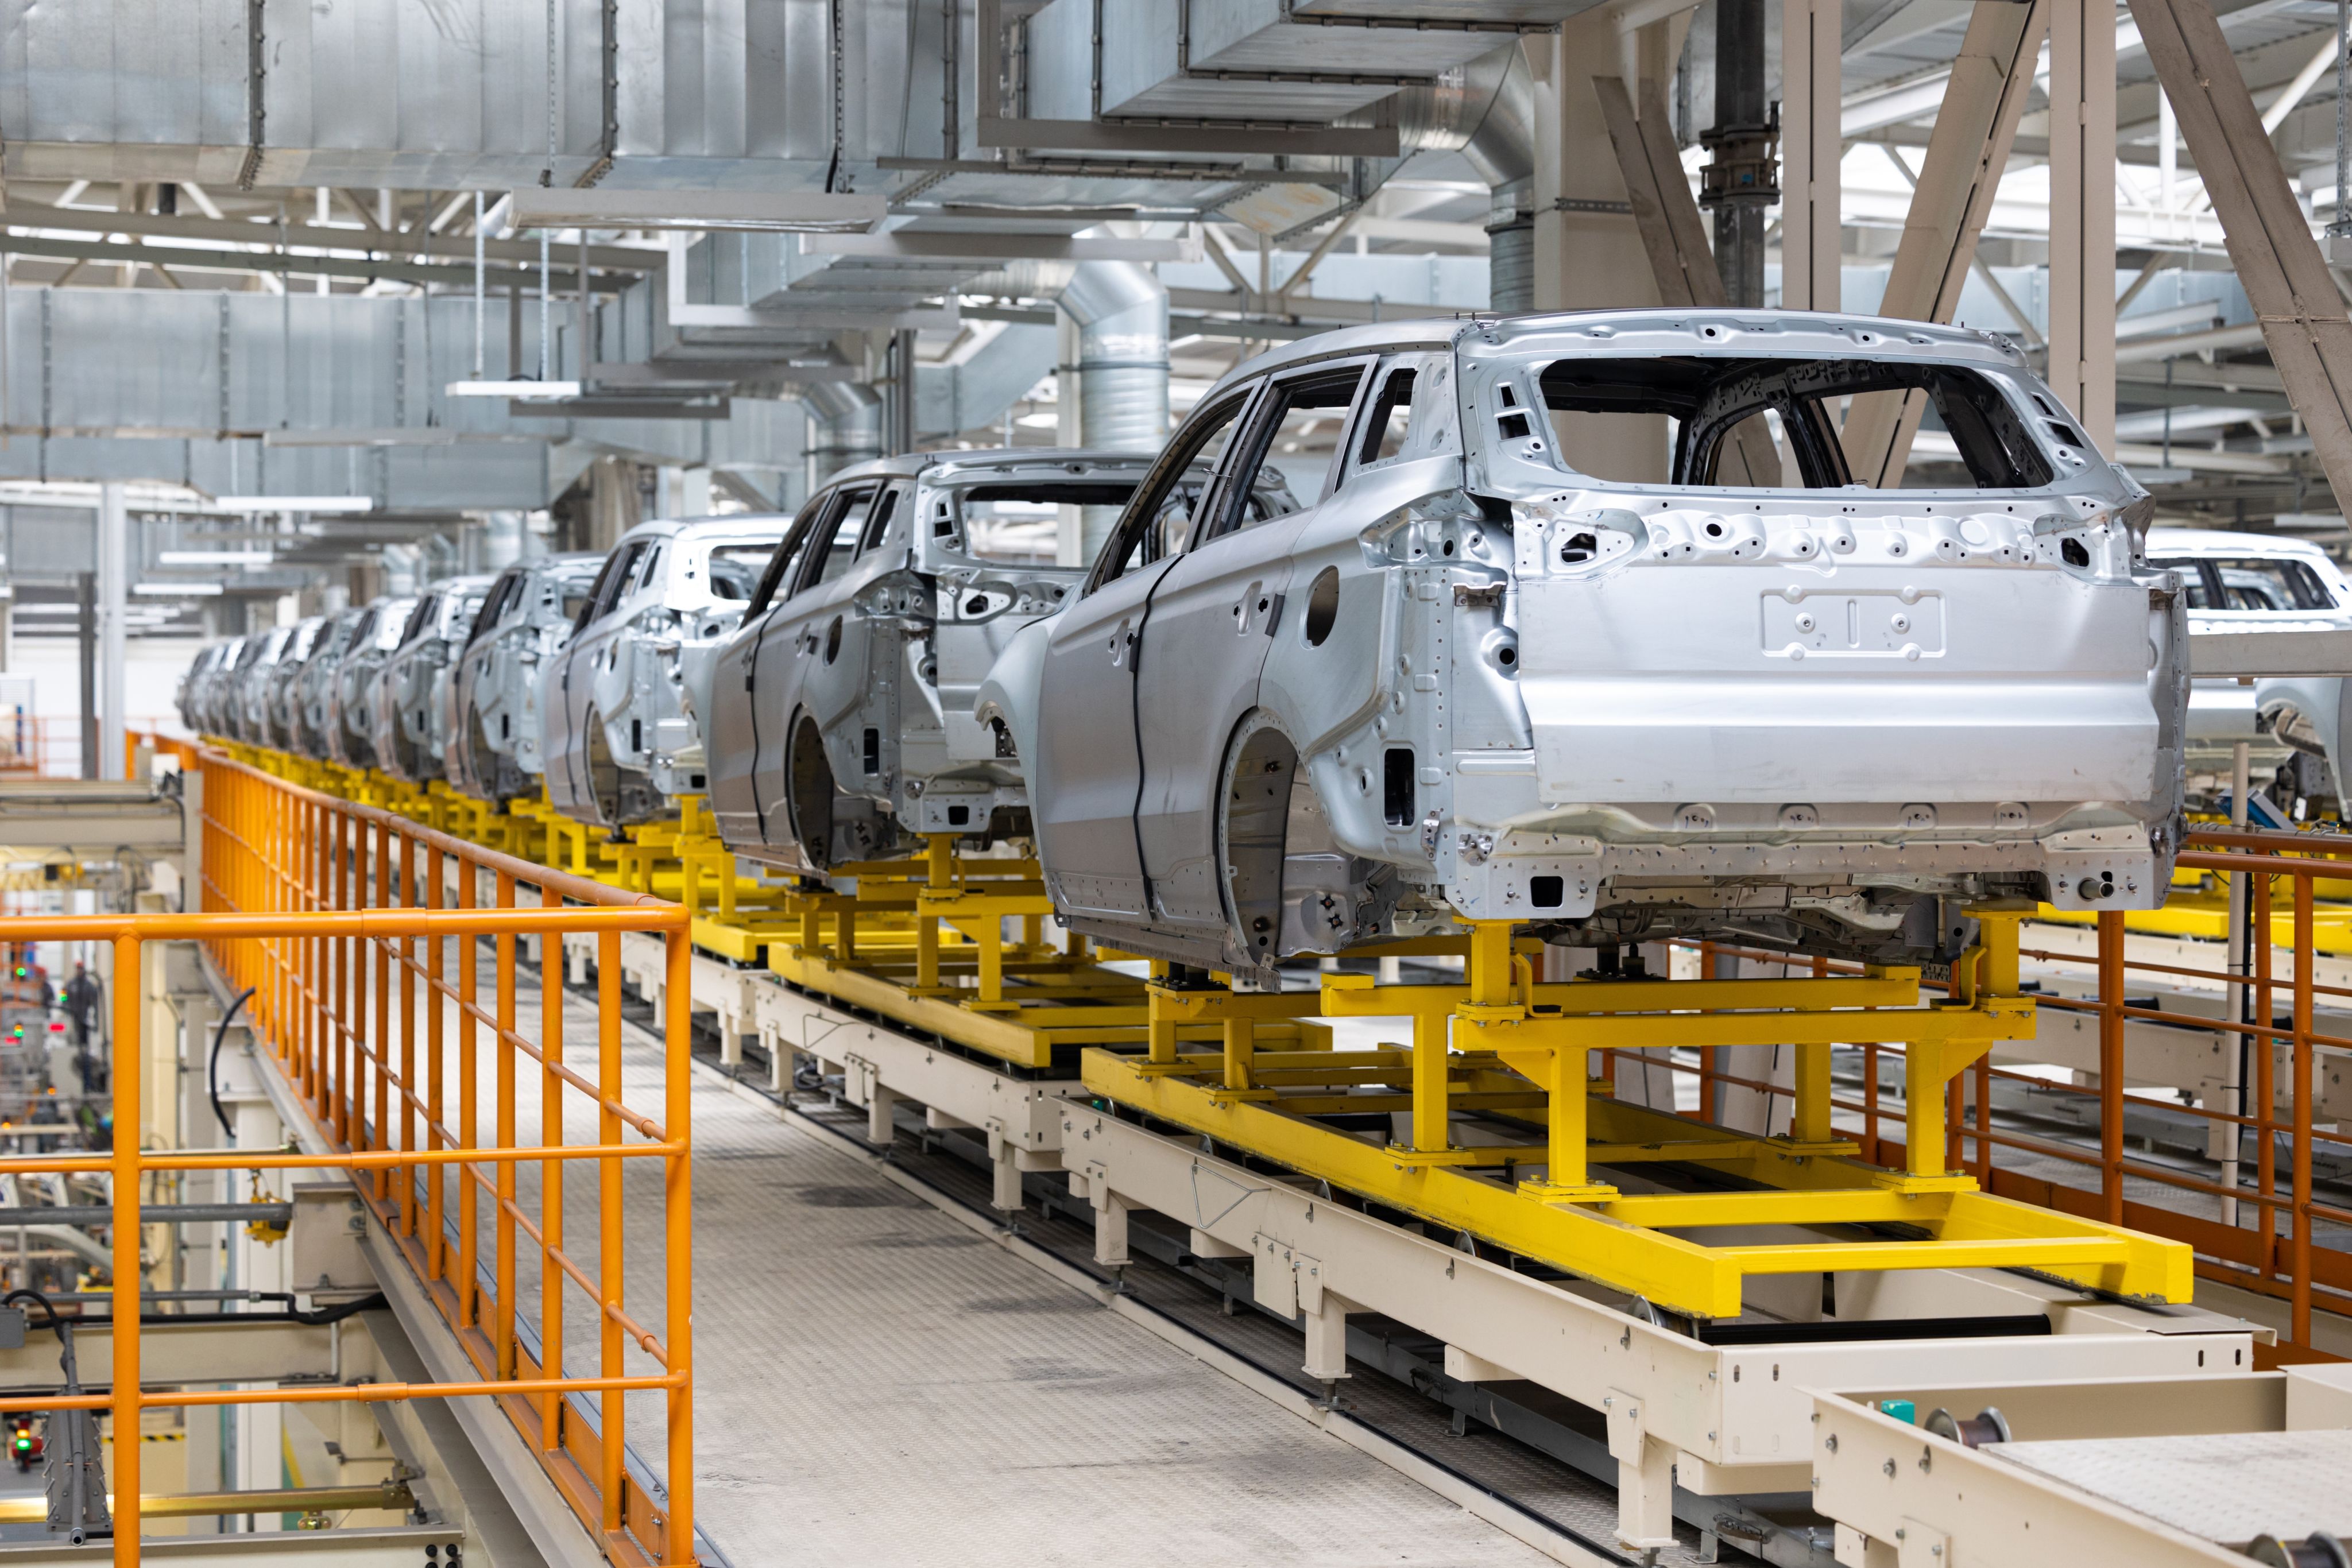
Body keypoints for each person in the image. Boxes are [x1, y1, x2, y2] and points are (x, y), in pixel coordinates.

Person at [60, 964, 98, 1049]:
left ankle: (85, 1051)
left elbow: (94, 1001)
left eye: (81, 969)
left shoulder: (89, 986)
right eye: (78, 969)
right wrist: (64, 1006)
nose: (79, 971)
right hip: (73, 1014)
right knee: (74, 1035)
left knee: (84, 1036)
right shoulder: (71, 984)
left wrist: (94, 1017)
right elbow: (63, 994)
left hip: (85, 1016)